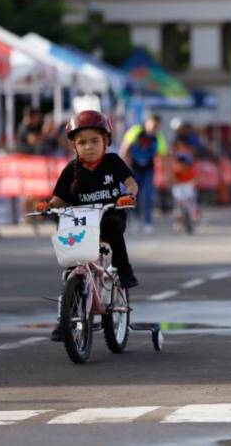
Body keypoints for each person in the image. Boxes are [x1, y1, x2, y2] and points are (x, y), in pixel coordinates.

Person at [35, 110, 139, 341]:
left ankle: (124, 268)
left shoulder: (112, 162)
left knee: (112, 225)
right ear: (74, 146)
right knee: (70, 271)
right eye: (82, 143)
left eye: (94, 141)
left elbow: (131, 182)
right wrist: (47, 206)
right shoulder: (71, 170)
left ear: (106, 142)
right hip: (81, 222)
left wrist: (128, 195)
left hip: (109, 215)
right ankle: (64, 320)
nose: (89, 147)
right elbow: (58, 199)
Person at [119, 114, 167, 234]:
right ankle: (135, 219)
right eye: (153, 125)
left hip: (148, 170)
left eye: (157, 126)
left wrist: (167, 174)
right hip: (134, 170)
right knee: (134, 195)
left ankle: (148, 222)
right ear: (147, 122)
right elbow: (125, 149)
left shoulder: (158, 137)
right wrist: (122, 168)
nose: (154, 128)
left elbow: (164, 156)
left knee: (148, 196)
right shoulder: (136, 131)